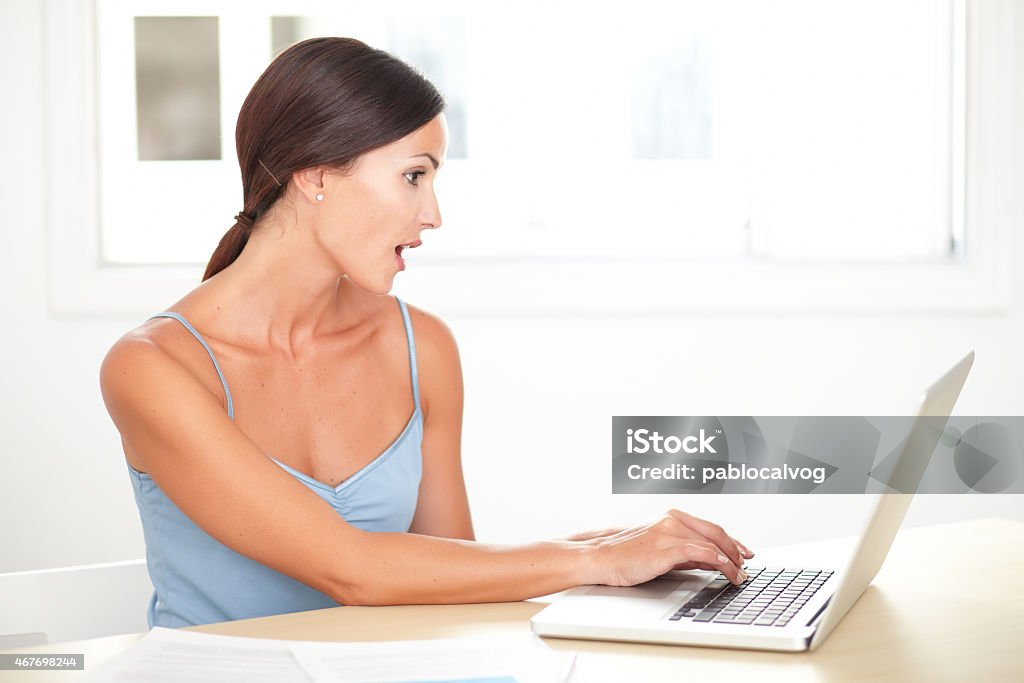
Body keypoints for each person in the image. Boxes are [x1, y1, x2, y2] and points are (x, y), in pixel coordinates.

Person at [100, 37, 753, 628]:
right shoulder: (152, 368)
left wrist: (613, 547)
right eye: (414, 175)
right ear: (315, 174)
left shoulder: (422, 348)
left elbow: (448, 577)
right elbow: (351, 567)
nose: (433, 214)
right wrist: (598, 559)